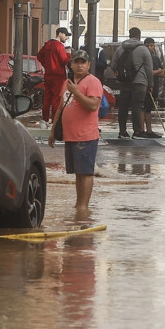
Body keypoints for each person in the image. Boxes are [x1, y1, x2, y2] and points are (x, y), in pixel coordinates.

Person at [48, 50, 104, 213]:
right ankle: (79, 205)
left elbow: (93, 105)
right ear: (71, 64)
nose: (80, 65)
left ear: (89, 65)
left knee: (86, 172)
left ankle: (83, 207)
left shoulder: (93, 82)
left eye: (83, 62)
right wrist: (53, 129)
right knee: (78, 173)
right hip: (70, 135)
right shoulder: (68, 82)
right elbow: (60, 106)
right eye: (76, 62)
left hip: (86, 135)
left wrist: (76, 92)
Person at [111, 26, 155, 139]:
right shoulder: (143, 49)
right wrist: (150, 84)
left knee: (123, 107)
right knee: (137, 106)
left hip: (125, 82)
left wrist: (121, 75)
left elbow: (113, 65)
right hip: (140, 82)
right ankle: (137, 132)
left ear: (129, 35)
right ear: (139, 36)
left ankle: (122, 131)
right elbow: (149, 69)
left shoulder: (120, 48)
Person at [36, 27, 71, 124]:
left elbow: (39, 56)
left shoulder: (47, 45)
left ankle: (45, 119)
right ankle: (55, 120)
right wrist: (68, 54)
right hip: (58, 76)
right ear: (60, 34)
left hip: (48, 75)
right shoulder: (59, 46)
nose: (67, 37)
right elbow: (64, 61)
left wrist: (46, 65)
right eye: (65, 35)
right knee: (56, 98)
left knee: (47, 97)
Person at [140, 38, 165, 138]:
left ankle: (149, 131)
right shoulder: (143, 58)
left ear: (154, 46)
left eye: (151, 45)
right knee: (143, 108)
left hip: (154, 86)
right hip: (145, 86)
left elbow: (163, 73)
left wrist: (157, 72)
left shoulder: (155, 59)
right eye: (147, 46)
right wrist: (157, 71)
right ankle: (142, 130)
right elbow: (146, 72)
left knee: (149, 109)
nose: (149, 48)